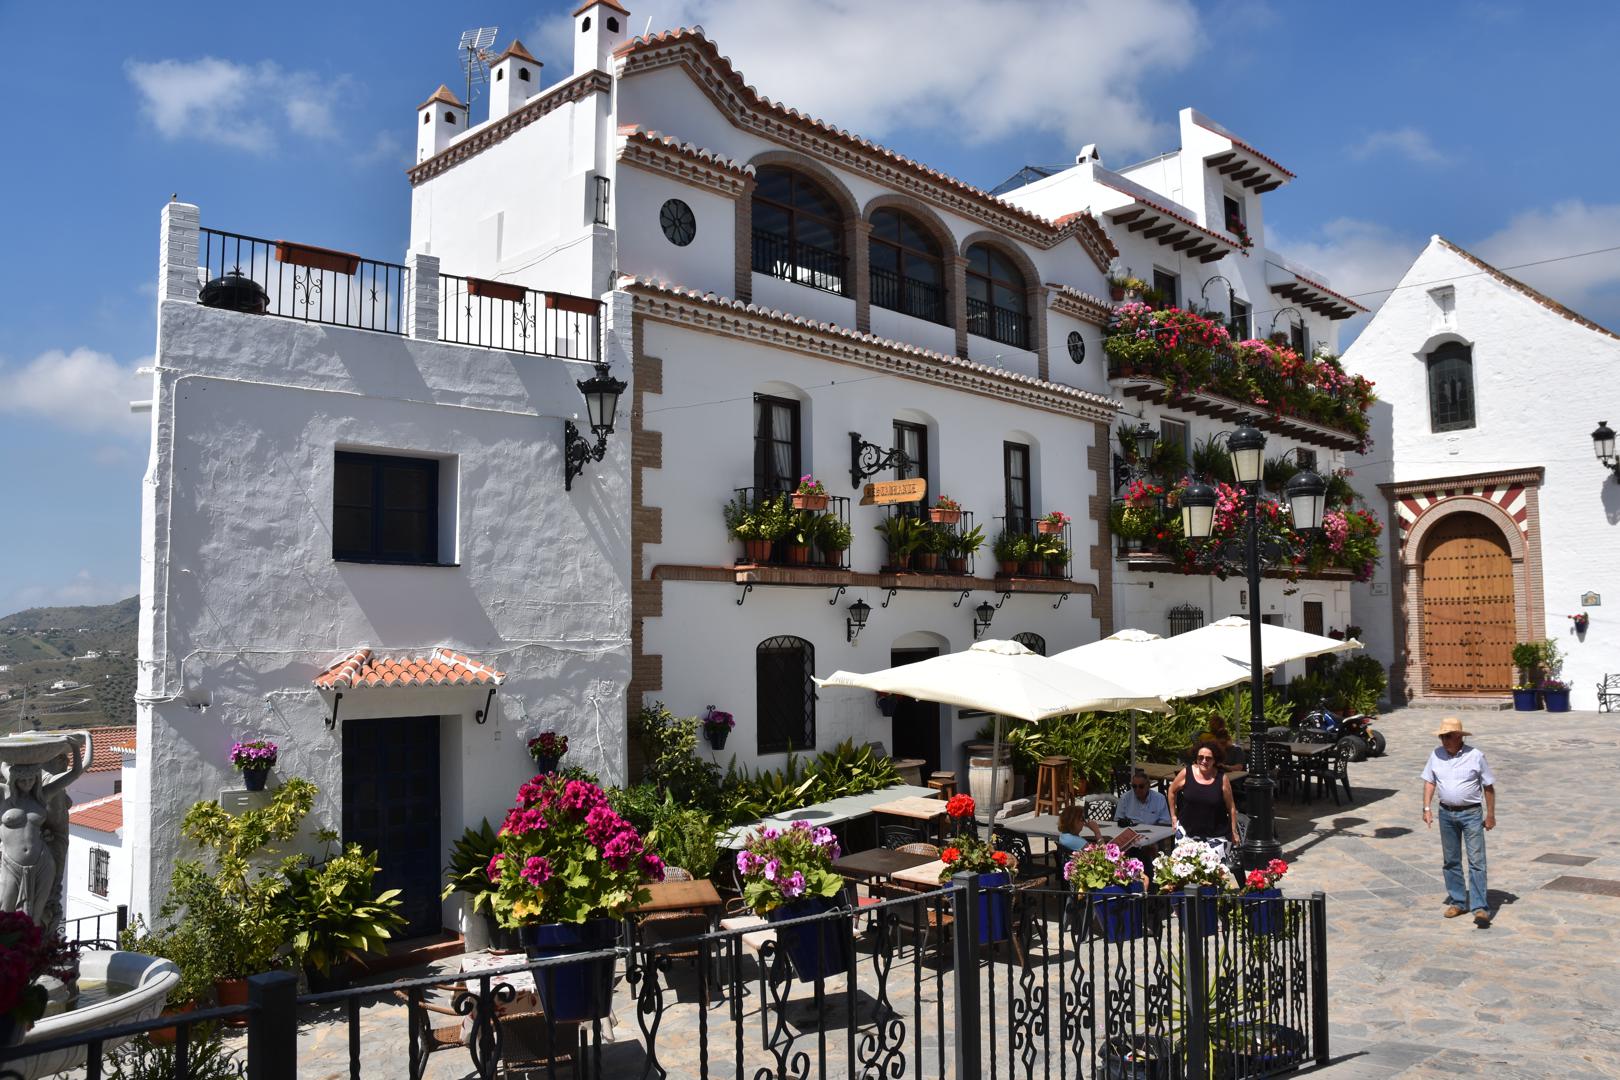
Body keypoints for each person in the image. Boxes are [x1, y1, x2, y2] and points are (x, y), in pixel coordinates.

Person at [1421, 716, 1496, 927]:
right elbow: (1429, 782)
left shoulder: (1475, 756)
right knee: (1451, 860)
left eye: (1447, 736)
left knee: (1477, 862)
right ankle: (1458, 901)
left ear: (1458, 737)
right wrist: (1426, 808)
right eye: (1442, 737)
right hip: (1446, 813)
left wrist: (1490, 815)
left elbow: (1488, 786)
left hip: (1471, 814)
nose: (1443, 740)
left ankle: (1480, 908)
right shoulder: (1436, 755)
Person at [1168, 741, 1240, 859]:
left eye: (1208, 758)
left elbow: (1231, 807)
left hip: (1216, 835)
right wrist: (1173, 816)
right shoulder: (1186, 773)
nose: (1204, 761)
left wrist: (1234, 831)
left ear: (1215, 760)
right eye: (1200, 757)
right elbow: (1171, 791)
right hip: (1187, 832)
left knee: (1213, 868)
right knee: (1184, 868)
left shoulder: (1222, 779)